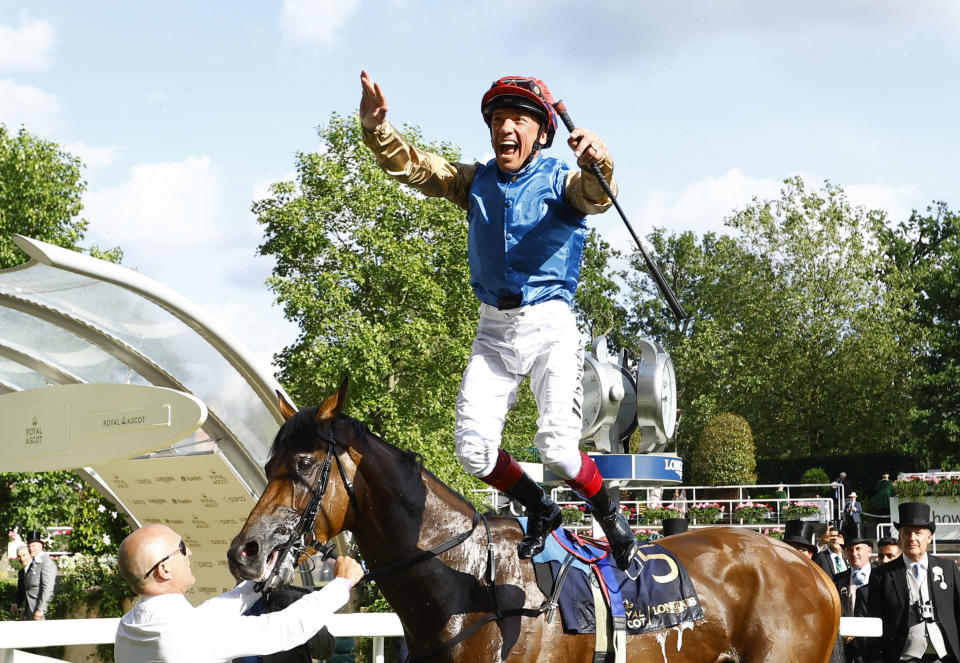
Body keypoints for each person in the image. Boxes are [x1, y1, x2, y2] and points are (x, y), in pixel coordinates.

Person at [358, 71, 637, 570]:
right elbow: (416, 168)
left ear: (542, 133)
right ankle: (540, 507)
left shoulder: (562, 180)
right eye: (499, 118)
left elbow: (596, 195)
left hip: (550, 326)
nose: (506, 127)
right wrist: (378, 127)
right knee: (472, 451)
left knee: (557, 447)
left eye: (519, 119)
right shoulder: (475, 181)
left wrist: (599, 160)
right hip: (494, 330)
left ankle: (607, 510)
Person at [113, 524, 364, 663]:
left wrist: (264, 574)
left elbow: (210, 613)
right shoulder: (187, 633)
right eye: (180, 547)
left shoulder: (128, 627)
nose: (189, 552)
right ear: (164, 569)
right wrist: (342, 583)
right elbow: (282, 628)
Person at [867, 502, 960, 662]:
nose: (912, 538)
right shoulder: (881, 575)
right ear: (900, 537)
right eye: (907, 533)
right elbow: (875, 622)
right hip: (904, 656)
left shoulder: (948, 568)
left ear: (929, 537)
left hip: (944, 656)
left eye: (918, 533)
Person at [833, 522, 874, 662]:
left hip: (873, 645)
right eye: (849, 550)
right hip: (845, 648)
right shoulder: (837, 579)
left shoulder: (882, 577)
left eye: (858, 549)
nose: (854, 553)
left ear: (869, 551)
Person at [23, 530, 57, 620]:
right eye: (29, 546)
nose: (30, 548)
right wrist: (25, 610)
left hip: (39, 611)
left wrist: (41, 609)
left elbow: (48, 588)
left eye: (33, 545)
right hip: (30, 610)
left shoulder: (46, 562)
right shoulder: (33, 563)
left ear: (41, 546)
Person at [12, 545, 33, 619]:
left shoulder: (37, 569)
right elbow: (21, 591)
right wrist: (16, 603)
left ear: (30, 554)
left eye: (24, 555)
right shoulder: (21, 572)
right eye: (19, 556)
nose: (22, 558)